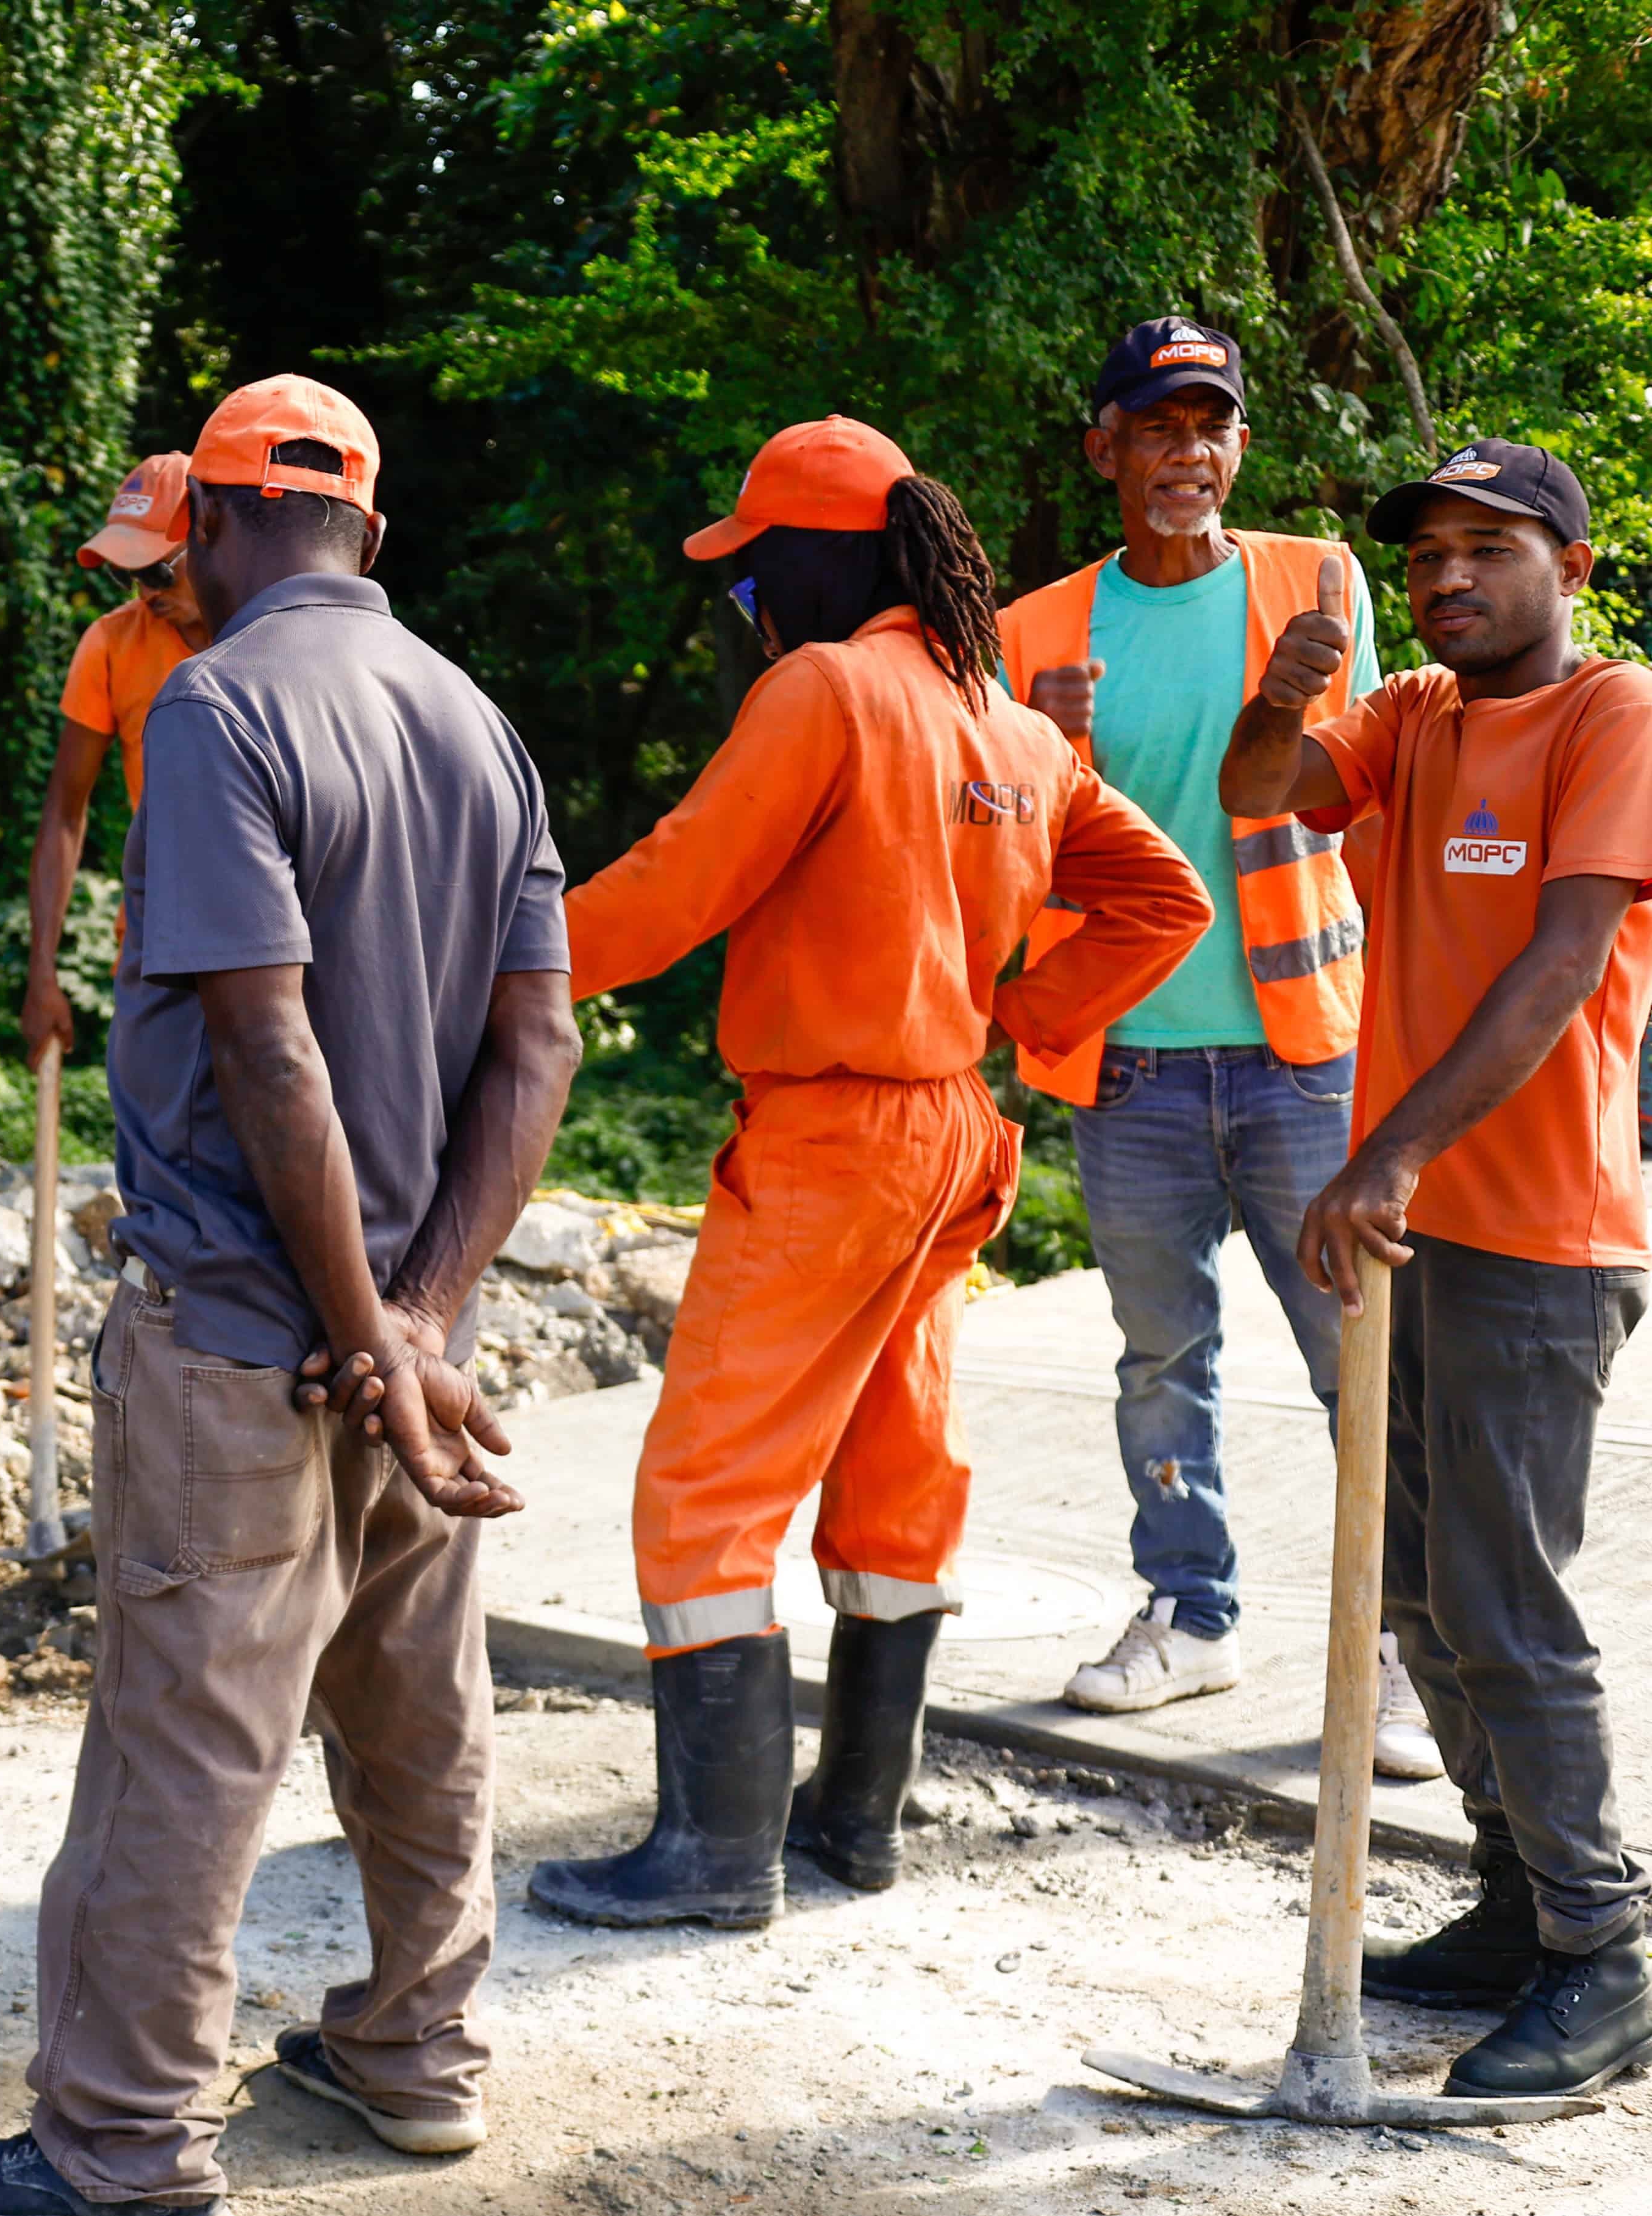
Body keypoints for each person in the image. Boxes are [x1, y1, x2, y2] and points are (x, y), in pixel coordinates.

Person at [0, 375, 579, 2216]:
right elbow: (539, 1044)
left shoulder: (215, 706)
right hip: (416, 1350)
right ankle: (416, 2050)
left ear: (202, 528)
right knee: (418, 1709)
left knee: (187, 1740)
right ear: (373, 531)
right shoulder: (477, 722)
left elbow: (265, 1040)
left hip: (240, 1334)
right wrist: (422, 1321)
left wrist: (359, 1324)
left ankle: (125, 2144)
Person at [528, 416, 1209, 1932]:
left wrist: (493, 970)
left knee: (707, 1480)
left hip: (834, 1136)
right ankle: (855, 1818)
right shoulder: (1012, 730)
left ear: (815, 564)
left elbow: (677, 881)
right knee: (900, 1474)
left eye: (753, 573)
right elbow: (1168, 897)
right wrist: (1025, 1014)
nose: (748, 604)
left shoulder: (825, 689)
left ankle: (716, 1853)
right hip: (953, 1133)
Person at [1225, 438, 1652, 2098]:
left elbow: (1562, 963)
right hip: (1417, 1233)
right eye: (1427, 556)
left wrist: (1387, 1150)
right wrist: (1283, 694)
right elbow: (1262, 791)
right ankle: (1513, 1900)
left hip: (1539, 1235)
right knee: (1414, 1591)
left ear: (1574, 565)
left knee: (1503, 1602)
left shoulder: (1614, 715)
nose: (1449, 577)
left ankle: (1605, 1950)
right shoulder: (1413, 716)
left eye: (1489, 547)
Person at [994, 317, 1432, 1774]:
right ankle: (1192, 1613)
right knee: (1159, 1358)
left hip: (1307, 1055)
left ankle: (1406, 1646)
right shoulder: (1034, 634)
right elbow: (1011, 863)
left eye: (1211, 427)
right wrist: (1045, 748)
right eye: (1157, 428)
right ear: (1104, 449)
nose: (1188, 453)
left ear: (1239, 445)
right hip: (1129, 1062)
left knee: (1360, 1359)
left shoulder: (1320, 581)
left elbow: (1371, 796)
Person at [20, 452, 211, 1062]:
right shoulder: (112, 642)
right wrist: (42, 971)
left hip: (277, 934)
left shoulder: (276, 635)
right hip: (158, 945)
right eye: (129, 575)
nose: (145, 592)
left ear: (211, 539)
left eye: (158, 570)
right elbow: (64, 813)